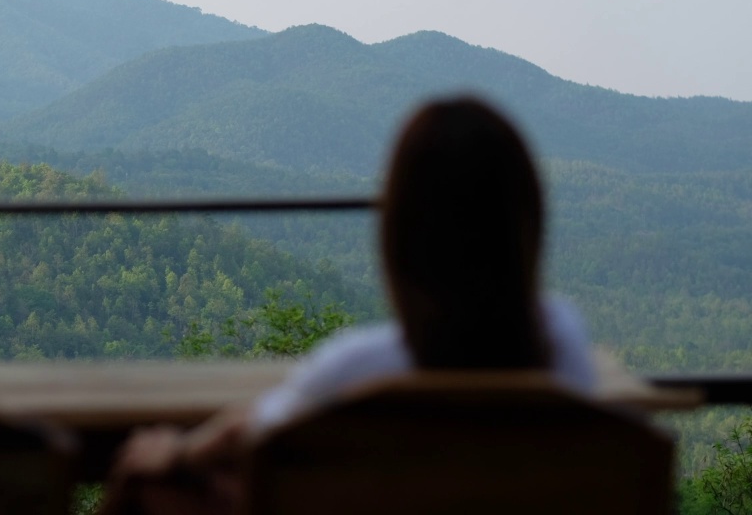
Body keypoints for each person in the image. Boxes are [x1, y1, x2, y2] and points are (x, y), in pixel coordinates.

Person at [100, 96, 596, 515]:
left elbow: (247, 434)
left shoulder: (365, 368)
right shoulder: (564, 345)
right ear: (526, 225)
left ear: (398, 236)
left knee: (144, 482)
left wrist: (175, 454)